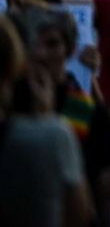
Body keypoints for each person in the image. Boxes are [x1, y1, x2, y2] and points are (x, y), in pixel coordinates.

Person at [0, 15, 93, 227]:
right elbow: (78, 214)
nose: (41, 54)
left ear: (69, 50)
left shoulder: (86, 108)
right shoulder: (51, 132)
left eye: (52, 44)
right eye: (32, 44)